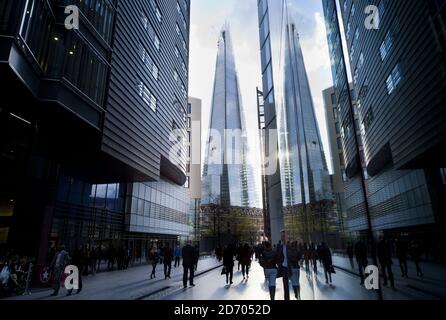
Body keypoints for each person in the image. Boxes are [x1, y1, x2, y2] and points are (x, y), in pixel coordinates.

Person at [277, 230, 291, 300]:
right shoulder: (279, 246)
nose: (283, 238)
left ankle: (297, 295)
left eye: (284, 236)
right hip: (284, 267)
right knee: (285, 285)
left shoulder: (290, 245)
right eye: (282, 236)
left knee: (295, 284)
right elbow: (278, 257)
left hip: (291, 267)